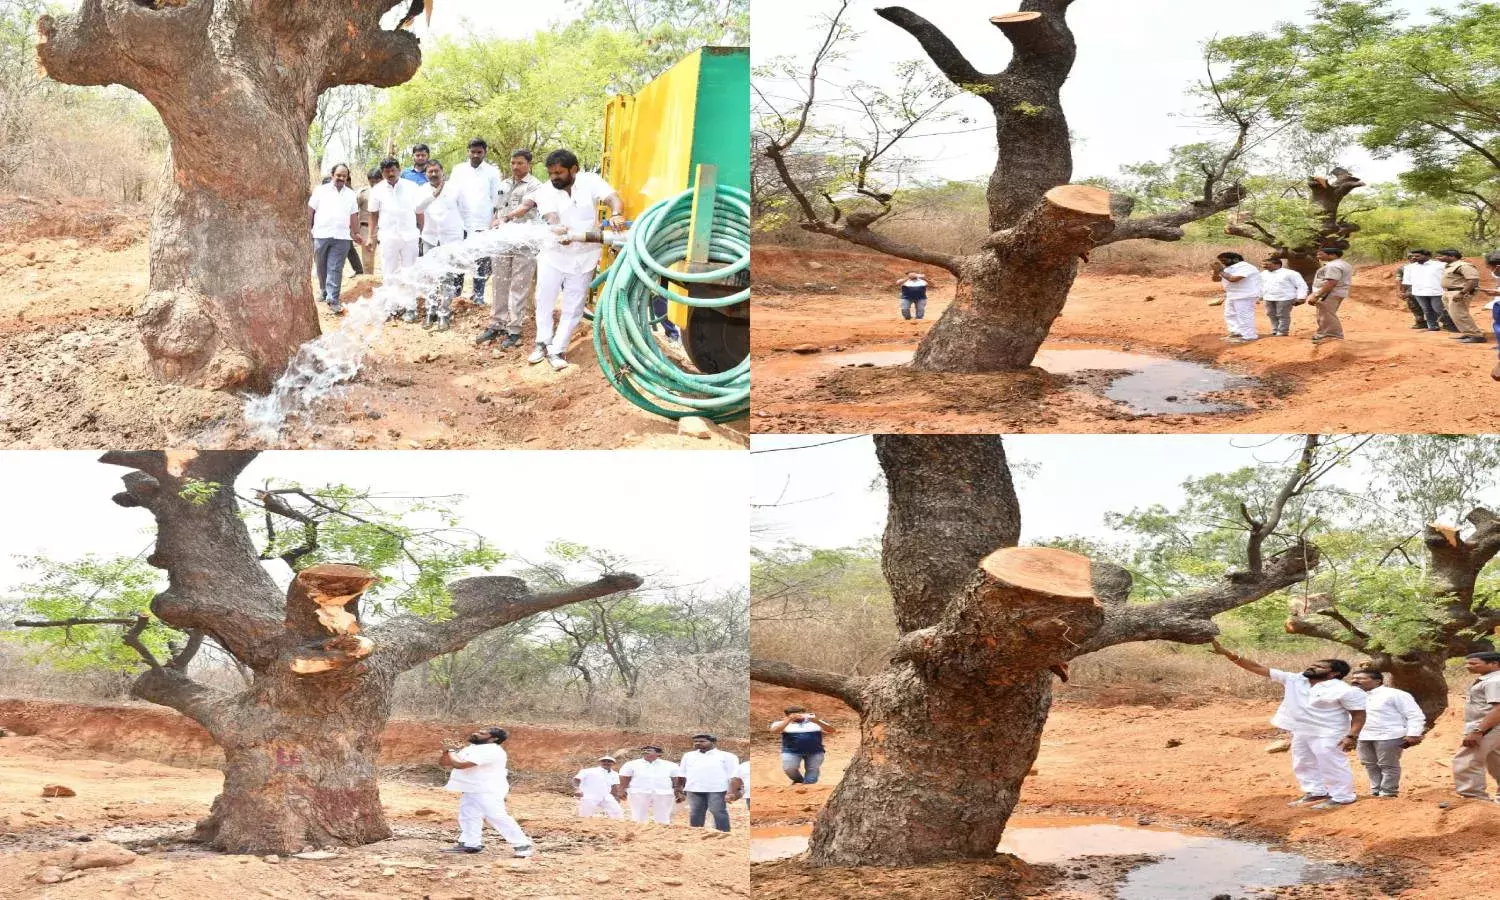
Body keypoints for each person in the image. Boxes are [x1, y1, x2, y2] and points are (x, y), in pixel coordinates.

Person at [1210, 639, 1366, 809]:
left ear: (1334, 673)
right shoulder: (1295, 679)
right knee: (1302, 762)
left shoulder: (1344, 690)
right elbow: (1257, 668)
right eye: (1312, 664)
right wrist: (1229, 654)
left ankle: (1343, 797)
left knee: (1332, 763)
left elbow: (1358, 715)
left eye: (1319, 666)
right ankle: (1316, 792)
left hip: (1329, 732)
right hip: (1301, 730)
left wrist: (1352, 736)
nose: (1311, 667)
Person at [509, 148, 625, 371]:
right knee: (545, 299)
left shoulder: (590, 181)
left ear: (574, 170)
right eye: (551, 173)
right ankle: (542, 343)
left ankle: (558, 349)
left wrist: (616, 213)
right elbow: (550, 215)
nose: (554, 177)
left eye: (559, 173)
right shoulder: (546, 190)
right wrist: (555, 227)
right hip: (554, 254)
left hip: (585, 256)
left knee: (574, 304)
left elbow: (612, 198)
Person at [476, 149, 542, 350]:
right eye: (513, 163)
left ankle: (514, 330)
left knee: (518, 286)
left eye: (520, 163)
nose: (515, 167)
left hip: (523, 243)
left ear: (529, 164)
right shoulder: (504, 184)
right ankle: (497, 325)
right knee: (499, 283)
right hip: (503, 241)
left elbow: (526, 206)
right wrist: (491, 228)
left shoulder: (535, 185)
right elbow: (497, 211)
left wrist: (506, 218)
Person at [437, 727, 533, 857]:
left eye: (482, 733)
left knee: (496, 816)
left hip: (488, 789)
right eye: (478, 731)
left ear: (493, 739)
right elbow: (444, 763)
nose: (476, 733)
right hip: (472, 788)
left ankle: (522, 845)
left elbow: (460, 765)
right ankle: (471, 844)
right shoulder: (471, 748)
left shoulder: (493, 751)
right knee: (468, 815)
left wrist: (452, 750)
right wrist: (447, 751)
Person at [1347, 669, 1425, 798]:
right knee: (1369, 764)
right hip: (1364, 736)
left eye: (1361, 678)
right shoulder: (1353, 696)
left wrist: (1413, 734)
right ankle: (1376, 791)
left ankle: (1388, 792)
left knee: (1388, 765)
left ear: (1377, 681)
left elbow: (1414, 715)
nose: (1355, 681)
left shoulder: (1395, 694)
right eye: (1353, 678)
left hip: (1389, 735)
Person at [447, 138, 502, 307]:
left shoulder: (492, 172)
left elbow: (496, 199)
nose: (476, 155)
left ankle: (478, 295)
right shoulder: (458, 170)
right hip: (461, 222)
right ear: (468, 151)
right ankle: (456, 295)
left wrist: (493, 221)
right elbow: (451, 195)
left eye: (479, 152)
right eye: (473, 152)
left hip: (483, 223)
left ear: (485, 152)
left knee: (481, 261)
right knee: (459, 259)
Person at [414, 159, 465, 331]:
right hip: (430, 239)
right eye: (430, 172)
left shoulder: (455, 188)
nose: (434, 174)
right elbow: (418, 209)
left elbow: (464, 210)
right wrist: (434, 195)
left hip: (451, 239)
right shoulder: (421, 190)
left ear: (442, 171)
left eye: (436, 171)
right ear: (426, 174)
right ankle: (431, 311)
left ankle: (444, 313)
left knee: (447, 278)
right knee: (430, 277)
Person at [368, 157, 426, 305]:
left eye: (393, 170)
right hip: (388, 236)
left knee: (410, 270)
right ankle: (391, 305)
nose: (390, 174)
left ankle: (410, 305)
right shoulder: (377, 189)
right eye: (387, 171)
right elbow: (373, 213)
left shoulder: (412, 187)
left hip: (410, 236)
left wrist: (422, 231)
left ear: (399, 170)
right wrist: (370, 236)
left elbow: (419, 211)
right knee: (389, 271)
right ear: (382, 173)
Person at [307, 162, 362, 315]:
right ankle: (324, 290)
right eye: (338, 175)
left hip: (342, 237)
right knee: (321, 266)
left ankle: (333, 299)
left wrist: (356, 233)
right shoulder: (320, 190)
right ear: (332, 175)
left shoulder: (351, 194)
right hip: (321, 234)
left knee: (335, 268)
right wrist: (307, 229)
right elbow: (310, 211)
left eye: (344, 176)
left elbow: (353, 216)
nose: (341, 178)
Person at [1453, 651, 1500, 801]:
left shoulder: (1494, 681)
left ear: (1494, 664)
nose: (1468, 666)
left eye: (1474, 663)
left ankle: (1473, 798)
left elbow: (1499, 708)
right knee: (1496, 760)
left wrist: (1478, 731)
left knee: (1466, 759)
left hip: (1489, 727)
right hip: (1489, 726)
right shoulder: (1486, 680)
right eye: (1467, 663)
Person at [672, 733, 738, 832]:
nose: (698, 743)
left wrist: (731, 792)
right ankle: (696, 834)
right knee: (695, 812)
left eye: (702, 741)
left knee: (718, 811)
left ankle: (724, 834)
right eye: (695, 741)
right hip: (693, 789)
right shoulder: (688, 756)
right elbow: (682, 774)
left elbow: (733, 776)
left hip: (717, 789)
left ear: (713, 742)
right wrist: (678, 790)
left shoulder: (727, 756)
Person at [769, 705, 835, 784]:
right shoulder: (781, 723)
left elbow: (831, 730)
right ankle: (799, 780)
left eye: (801, 714)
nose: (799, 716)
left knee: (813, 769)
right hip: (791, 751)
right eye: (795, 714)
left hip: (815, 751)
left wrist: (816, 721)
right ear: (787, 715)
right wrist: (788, 720)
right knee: (789, 768)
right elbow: (774, 731)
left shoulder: (815, 722)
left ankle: (808, 787)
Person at [1210, 252, 1262, 343]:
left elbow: (1233, 279)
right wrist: (1216, 271)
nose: (1223, 263)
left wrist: (1221, 271)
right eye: (1221, 261)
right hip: (1232, 294)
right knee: (1230, 315)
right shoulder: (1227, 268)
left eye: (1224, 260)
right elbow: (1215, 279)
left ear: (1236, 259)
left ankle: (1249, 336)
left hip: (1245, 295)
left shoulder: (1245, 267)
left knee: (1244, 316)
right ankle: (1236, 332)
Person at [619, 744, 677, 824]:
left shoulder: (670, 765)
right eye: (644, 750)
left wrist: (678, 791)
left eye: (649, 750)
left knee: (663, 818)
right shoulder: (631, 764)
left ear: (658, 753)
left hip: (663, 793)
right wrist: (622, 790)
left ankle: (662, 833)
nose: (645, 752)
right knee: (638, 817)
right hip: (639, 792)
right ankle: (638, 833)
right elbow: (624, 777)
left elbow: (676, 778)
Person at [1437, 248, 1485, 344]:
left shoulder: (1464, 265)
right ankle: (1467, 333)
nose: (1438, 257)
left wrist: (1462, 293)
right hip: (1449, 292)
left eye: (1442, 255)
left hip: (1458, 292)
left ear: (1452, 256)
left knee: (1461, 315)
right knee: (1455, 315)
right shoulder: (1449, 266)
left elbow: (1473, 280)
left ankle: (1476, 336)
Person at [1308, 247, 1354, 343]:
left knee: (1327, 314)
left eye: (1321, 254)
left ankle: (1332, 335)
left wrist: (1317, 295)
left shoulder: (1332, 266)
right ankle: (1322, 333)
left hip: (1329, 293)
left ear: (1332, 255)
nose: (1318, 256)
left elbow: (1331, 282)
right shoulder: (1344, 264)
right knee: (1324, 314)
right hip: (1336, 292)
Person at [1259, 257, 1307, 337]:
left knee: (1282, 315)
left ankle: (1282, 332)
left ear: (1277, 264)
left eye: (1267, 264)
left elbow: (1301, 285)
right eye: (1263, 264)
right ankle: (1275, 330)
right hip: (1268, 297)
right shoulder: (1263, 274)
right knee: (1271, 314)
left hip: (1285, 297)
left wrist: (1301, 297)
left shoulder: (1290, 273)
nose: (1264, 266)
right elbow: (1261, 286)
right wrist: (1259, 296)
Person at [1405, 249, 1451, 332]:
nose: (1415, 258)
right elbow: (1407, 281)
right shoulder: (1409, 267)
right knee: (1426, 310)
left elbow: (1449, 276)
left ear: (1427, 256)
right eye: (1413, 256)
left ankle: (1450, 326)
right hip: (1418, 292)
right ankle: (1433, 326)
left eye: (1417, 256)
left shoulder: (1441, 265)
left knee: (1438, 309)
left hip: (1437, 291)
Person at [573, 755, 625, 819]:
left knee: (617, 812)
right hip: (589, 796)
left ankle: (618, 827)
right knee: (585, 816)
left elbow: (614, 786)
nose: (606, 763)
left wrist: (616, 797)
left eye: (609, 761)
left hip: (606, 796)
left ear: (613, 763)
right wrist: (577, 789)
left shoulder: (615, 774)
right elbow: (576, 779)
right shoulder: (589, 771)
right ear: (599, 762)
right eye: (604, 761)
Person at [355, 168, 380, 275]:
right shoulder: (362, 193)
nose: (374, 183)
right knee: (367, 259)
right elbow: (354, 211)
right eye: (371, 181)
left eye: (377, 180)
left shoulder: (388, 191)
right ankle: (368, 283)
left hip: (385, 227)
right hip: (366, 228)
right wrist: (354, 230)